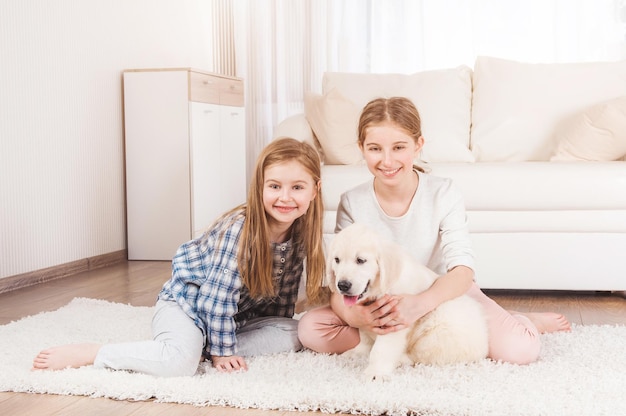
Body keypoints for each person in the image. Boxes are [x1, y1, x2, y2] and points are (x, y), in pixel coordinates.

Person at [298, 97, 570, 365]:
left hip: (445, 296)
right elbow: (342, 277)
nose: (387, 160)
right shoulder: (352, 201)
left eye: (399, 147)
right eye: (375, 149)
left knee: (520, 349)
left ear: (418, 146)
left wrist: (417, 305)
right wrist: (356, 317)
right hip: (376, 300)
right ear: (361, 148)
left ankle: (520, 320)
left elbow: (462, 272)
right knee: (310, 329)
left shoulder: (443, 192)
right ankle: (399, 343)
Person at [33, 137, 327, 376]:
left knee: (298, 331)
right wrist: (223, 352)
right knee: (179, 365)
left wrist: (268, 329)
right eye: (274, 186)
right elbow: (216, 298)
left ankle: (199, 344)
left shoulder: (302, 231)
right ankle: (96, 352)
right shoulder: (240, 229)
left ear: (315, 190)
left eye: (297, 188)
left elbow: (282, 297)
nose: (285, 197)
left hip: (236, 318)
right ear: (259, 187)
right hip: (189, 307)